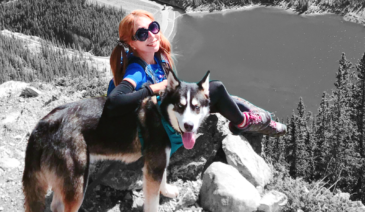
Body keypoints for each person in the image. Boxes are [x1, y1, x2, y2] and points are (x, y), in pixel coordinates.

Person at [103, 9, 287, 136]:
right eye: (142, 34)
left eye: (153, 28)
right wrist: (154, 88)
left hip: (169, 113)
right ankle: (243, 123)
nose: (152, 35)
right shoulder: (136, 69)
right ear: (131, 43)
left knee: (227, 98)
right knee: (216, 88)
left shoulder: (157, 58)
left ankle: (261, 123)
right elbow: (113, 102)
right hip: (158, 125)